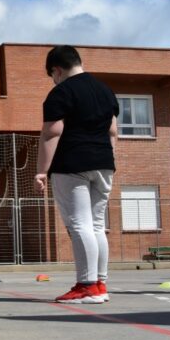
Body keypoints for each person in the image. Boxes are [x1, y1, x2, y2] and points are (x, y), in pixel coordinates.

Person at [35, 45, 119, 304]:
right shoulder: (106, 91)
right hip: (104, 164)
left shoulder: (61, 93)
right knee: (95, 225)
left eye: (52, 75)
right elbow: (113, 132)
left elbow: (52, 133)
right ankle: (100, 284)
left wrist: (41, 171)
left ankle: (86, 286)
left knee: (80, 224)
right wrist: (104, 158)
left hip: (72, 165)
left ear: (56, 70)